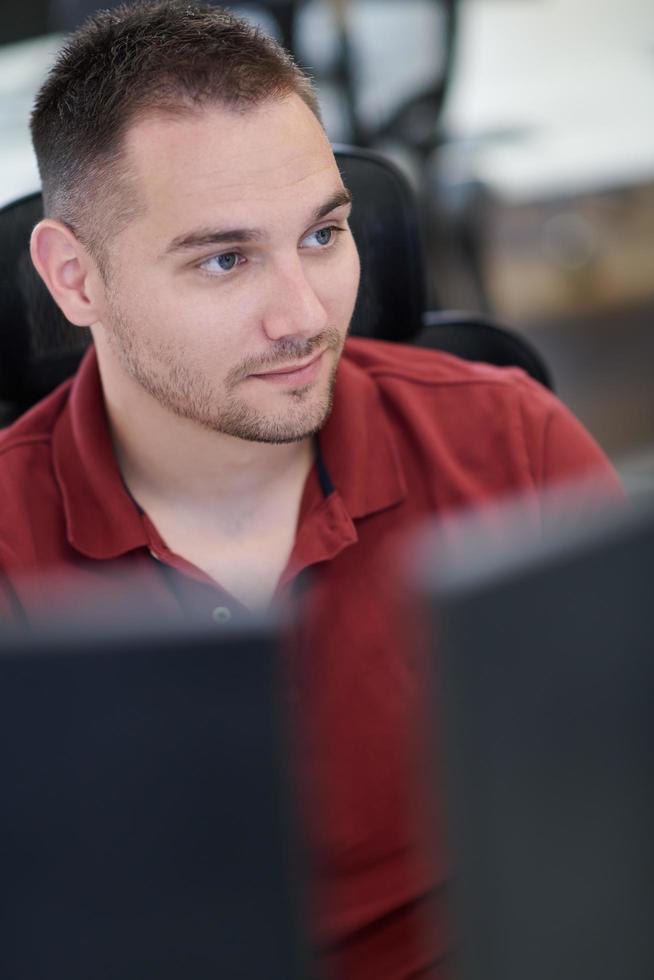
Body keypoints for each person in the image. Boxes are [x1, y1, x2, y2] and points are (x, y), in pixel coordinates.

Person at [0, 2, 622, 976]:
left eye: (324, 234)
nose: (303, 315)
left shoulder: (510, 443)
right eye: (224, 257)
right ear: (76, 279)